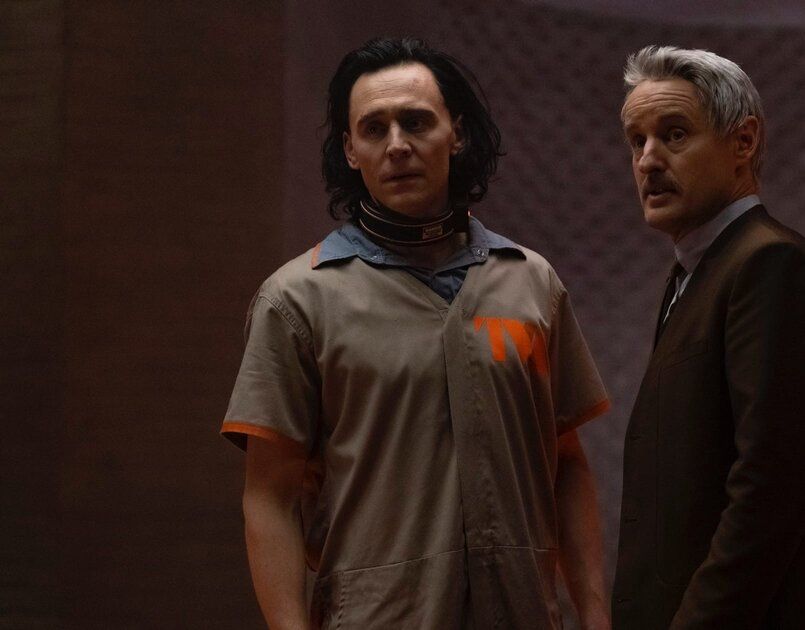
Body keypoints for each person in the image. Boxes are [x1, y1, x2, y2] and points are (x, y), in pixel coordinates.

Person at [222, 37, 611, 629]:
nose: (397, 144)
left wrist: (595, 615)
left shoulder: (531, 283)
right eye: (374, 129)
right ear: (350, 150)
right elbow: (269, 496)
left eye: (417, 122)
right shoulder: (298, 299)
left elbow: (568, 466)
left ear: (457, 134)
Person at [613, 45, 805, 630]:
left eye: (674, 134)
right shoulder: (692, 272)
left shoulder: (769, 262)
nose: (648, 160)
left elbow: (772, 485)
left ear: (743, 141)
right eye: (637, 141)